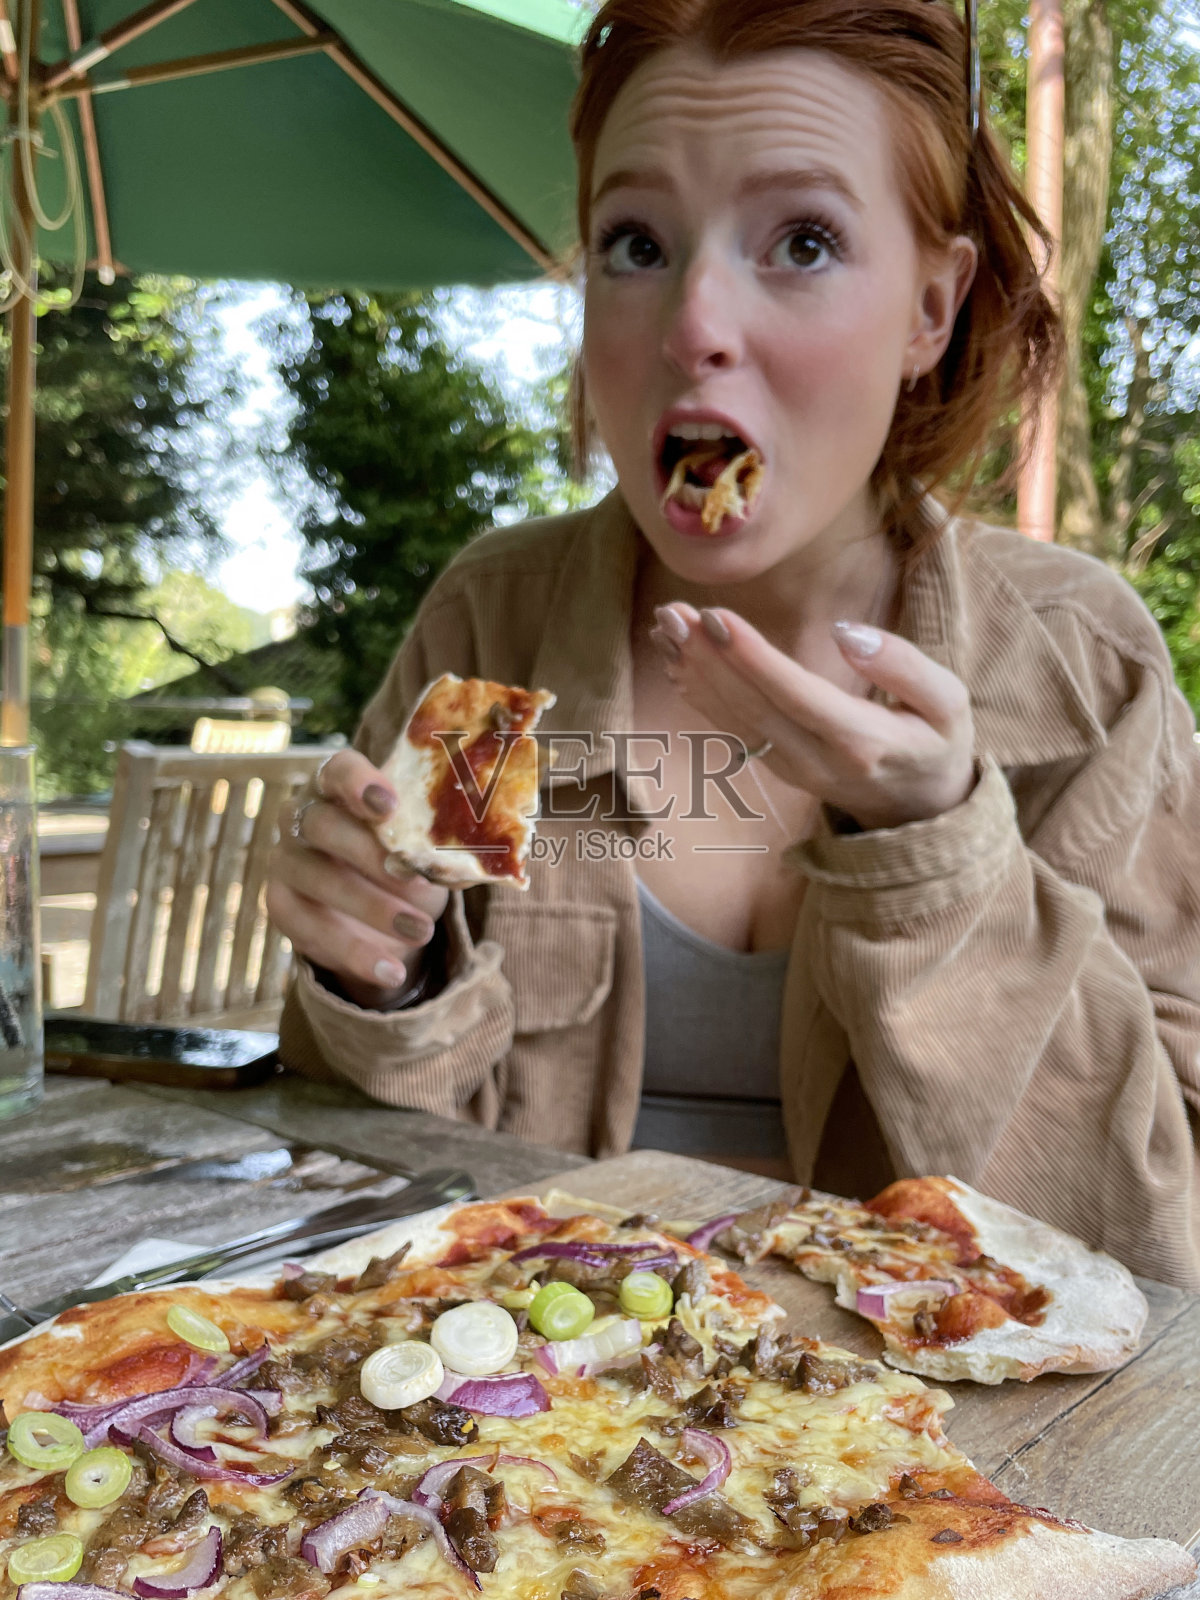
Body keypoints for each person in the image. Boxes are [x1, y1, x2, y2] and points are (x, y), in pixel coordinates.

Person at [266, 0, 1200, 1289]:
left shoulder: (1084, 674)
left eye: (803, 242)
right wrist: (380, 979)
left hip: (937, 1407)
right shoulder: (495, 629)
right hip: (539, 1382)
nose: (693, 320)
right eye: (636, 243)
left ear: (931, 308)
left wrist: (938, 862)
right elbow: (360, 1185)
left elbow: (1164, 1244)